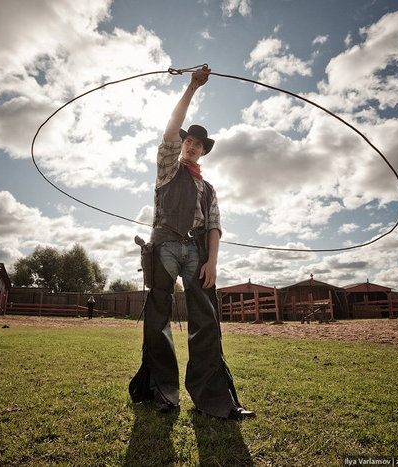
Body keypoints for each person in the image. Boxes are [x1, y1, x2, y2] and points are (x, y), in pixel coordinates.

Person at [129, 66, 255, 420]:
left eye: (196, 144)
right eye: (187, 141)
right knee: (158, 317)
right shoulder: (168, 168)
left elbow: (214, 225)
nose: (190, 146)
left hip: (197, 252)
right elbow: (170, 129)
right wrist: (191, 87)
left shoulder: (208, 188)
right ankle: (163, 394)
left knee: (207, 321)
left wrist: (212, 261)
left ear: (203, 152)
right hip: (165, 247)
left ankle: (213, 400)